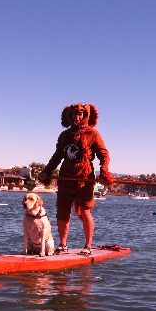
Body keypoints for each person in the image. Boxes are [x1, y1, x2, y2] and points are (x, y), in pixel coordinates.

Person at [38, 103, 113, 255]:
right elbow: (57, 156)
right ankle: (63, 245)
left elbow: (103, 154)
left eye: (80, 114)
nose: (77, 117)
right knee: (62, 212)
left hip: (84, 179)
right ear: (69, 116)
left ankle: (88, 246)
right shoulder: (64, 135)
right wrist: (47, 171)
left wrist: (104, 171)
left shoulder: (93, 134)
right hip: (65, 177)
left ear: (86, 116)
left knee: (85, 211)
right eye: (74, 115)